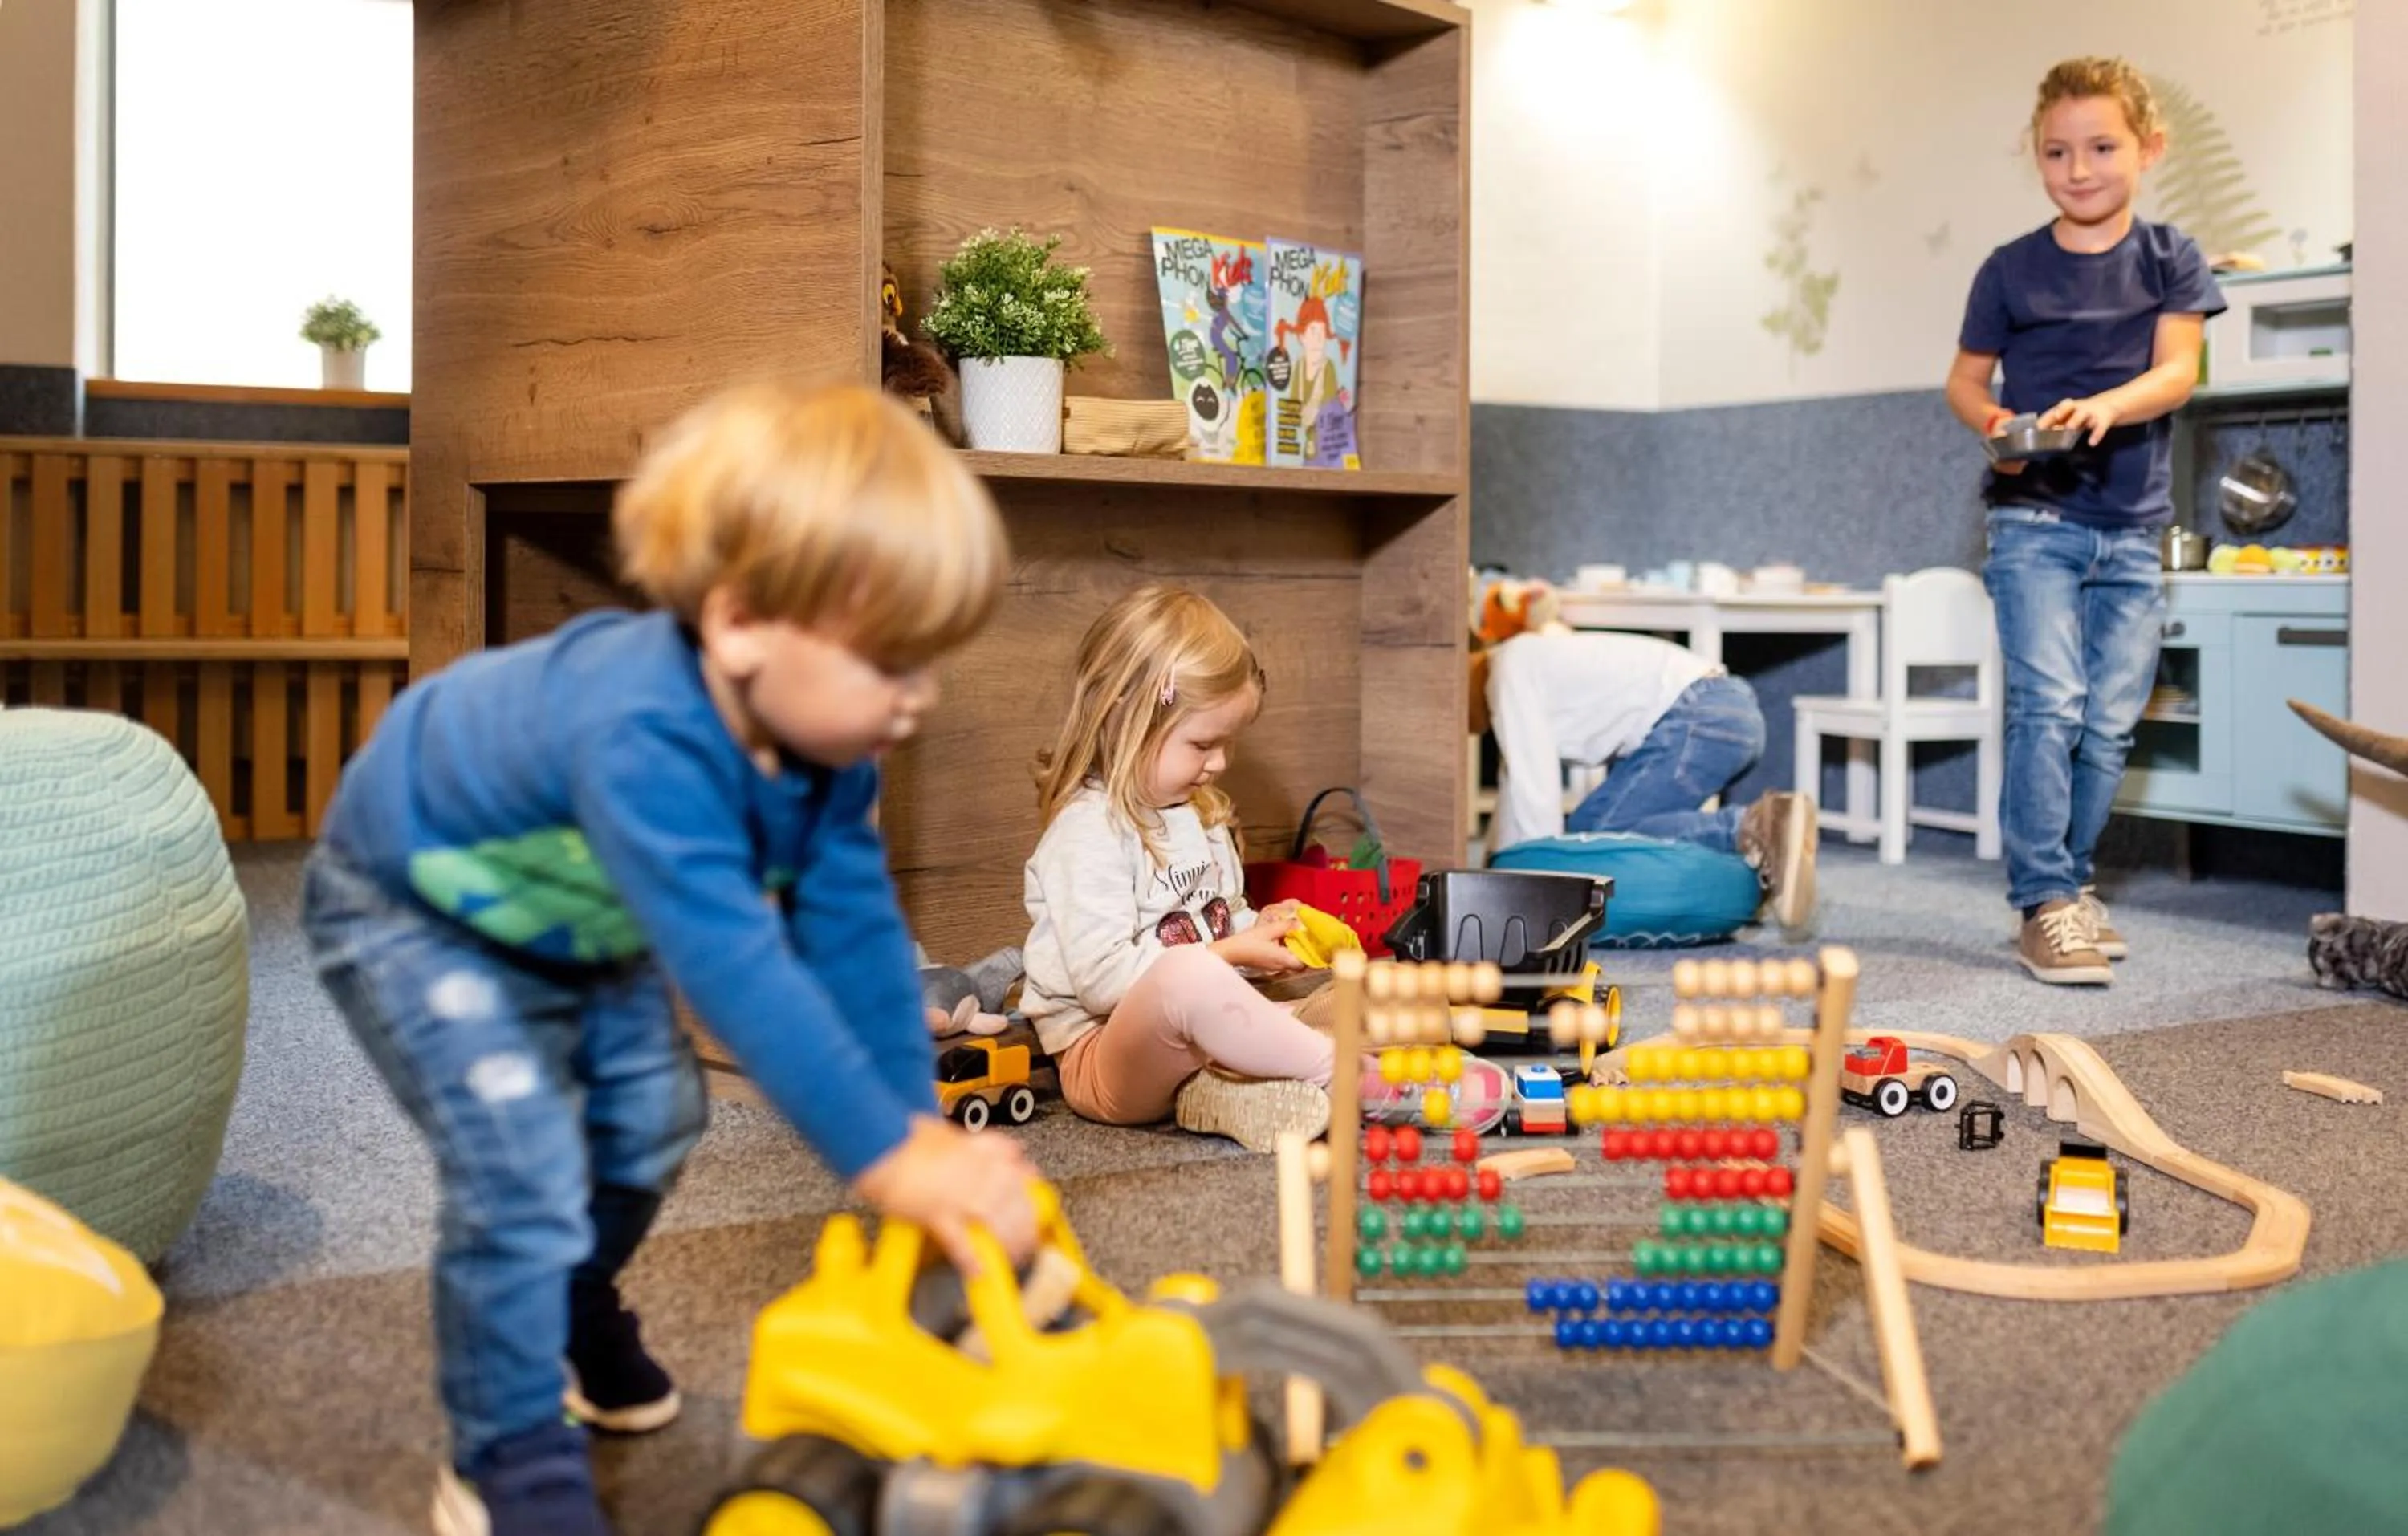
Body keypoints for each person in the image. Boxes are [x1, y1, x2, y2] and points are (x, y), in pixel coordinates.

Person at [300, 384, 1041, 1536]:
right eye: (890, 659)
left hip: (580, 918)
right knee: (521, 1160)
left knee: (650, 1113)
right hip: (416, 899)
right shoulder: (641, 731)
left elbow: (850, 945)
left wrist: (916, 1127)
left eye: (930, 659)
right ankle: (506, 1448)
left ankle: (574, 1304)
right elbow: (741, 971)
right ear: (741, 620)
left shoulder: (829, 757)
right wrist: (887, 1159)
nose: (920, 697)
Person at [1945, 57, 2223, 985]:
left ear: (2148, 149)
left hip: (2133, 528)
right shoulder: (2009, 269)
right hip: (2033, 523)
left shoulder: (2170, 257)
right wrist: (1996, 427)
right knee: (2049, 704)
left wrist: (2110, 404)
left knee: (2107, 723)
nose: (2079, 168)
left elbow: (2180, 371)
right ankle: (2042, 901)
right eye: (2057, 151)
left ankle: (2071, 882)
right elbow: (1965, 379)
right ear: (2037, 157)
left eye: (2102, 147)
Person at [1020, 584, 1342, 1154]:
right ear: (1125, 719)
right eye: (1202, 744)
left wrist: (1259, 930)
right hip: (1105, 1059)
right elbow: (1104, 984)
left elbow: (1220, 918)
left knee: (1342, 998)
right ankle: (1340, 1076)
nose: (1219, 763)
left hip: (1192, 1031)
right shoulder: (1087, 832)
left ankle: (1229, 1092)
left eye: (1227, 744)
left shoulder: (1202, 815)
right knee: (1189, 980)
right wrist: (1231, 955)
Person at [1478, 628, 1820, 934]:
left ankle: (1755, 825)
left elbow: (1534, 794)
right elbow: (1515, 788)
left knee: (1594, 834)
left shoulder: (1508, 671)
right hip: (1727, 711)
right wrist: (1491, 868)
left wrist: (1524, 893)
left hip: (1701, 715)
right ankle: (1754, 864)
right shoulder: (1527, 659)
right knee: (1605, 826)